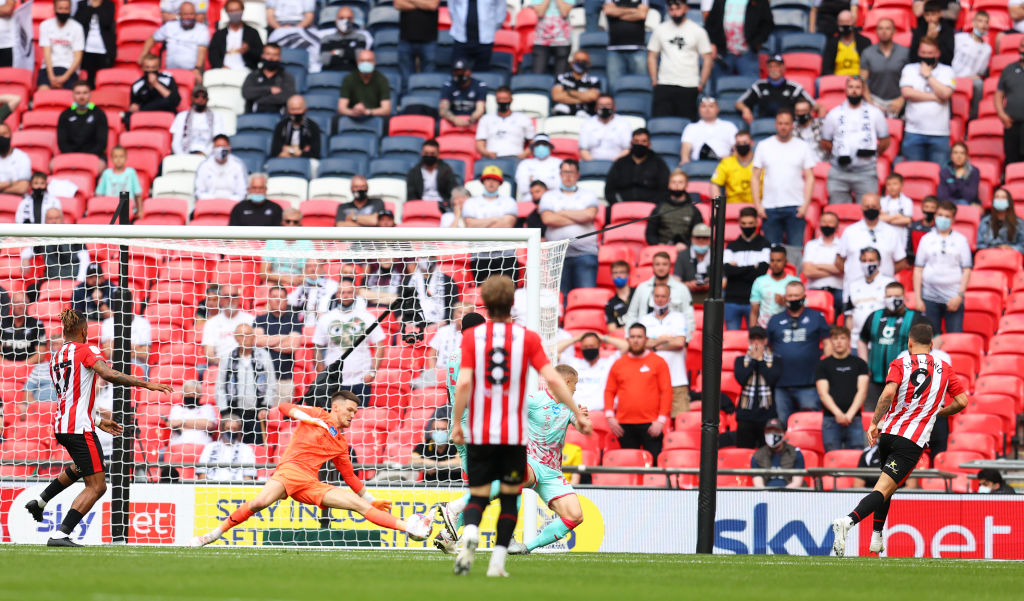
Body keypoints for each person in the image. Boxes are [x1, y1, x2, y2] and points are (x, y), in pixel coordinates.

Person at [450, 276, 590, 576]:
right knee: (511, 496)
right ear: (512, 303)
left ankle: (468, 534)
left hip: (481, 427)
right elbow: (552, 378)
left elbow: (463, 382)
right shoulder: (525, 338)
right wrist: (576, 410)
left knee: (479, 491)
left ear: (486, 303)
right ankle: (497, 562)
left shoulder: (472, 340)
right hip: (512, 432)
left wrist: (456, 422)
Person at [191, 391, 433, 547]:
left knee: (360, 505)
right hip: (289, 471)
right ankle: (213, 534)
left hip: (310, 483)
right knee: (258, 503)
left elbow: (350, 477)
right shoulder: (317, 414)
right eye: (349, 410)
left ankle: (408, 526)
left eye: (356, 412)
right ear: (335, 408)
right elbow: (284, 407)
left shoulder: (341, 443)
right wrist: (307, 418)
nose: (353, 415)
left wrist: (372, 499)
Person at [23, 309, 172, 547]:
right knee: (98, 486)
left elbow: (73, 395)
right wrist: (145, 383)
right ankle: (61, 534)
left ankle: (40, 501)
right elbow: (107, 373)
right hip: (79, 427)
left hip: (62, 424)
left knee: (82, 466)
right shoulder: (88, 349)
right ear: (84, 330)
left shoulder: (56, 356)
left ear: (64, 331)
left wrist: (100, 421)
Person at [831, 323, 968, 557]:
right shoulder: (945, 368)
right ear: (932, 345)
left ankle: (876, 537)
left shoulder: (899, 363)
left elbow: (887, 393)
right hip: (911, 441)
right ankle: (848, 521)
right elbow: (963, 401)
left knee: (886, 487)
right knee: (884, 488)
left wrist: (874, 422)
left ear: (909, 344)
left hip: (889, 434)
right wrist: (938, 411)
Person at [511, 364, 592, 554]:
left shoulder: (570, 406)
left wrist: (584, 419)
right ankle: (505, 536)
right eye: (575, 384)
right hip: (531, 461)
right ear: (566, 381)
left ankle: (525, 547)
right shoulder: (533, 400)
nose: (575, 389)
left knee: (575, 516)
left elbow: (583, 429)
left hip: (552, 472)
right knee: (515, 480)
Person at [604, 323, 672, 463]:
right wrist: (610, 416)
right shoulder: (619, 364)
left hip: (651, 425)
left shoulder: (658, 362)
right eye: (632, 337)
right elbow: (609, 391)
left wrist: (661, 420)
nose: (636, 340)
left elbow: (666, 391)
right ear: (628, 340)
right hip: (624, 425)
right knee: (628, 465)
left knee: (653, 469)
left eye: (639, 337)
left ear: (646, 339)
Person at [312, 278, 387, 405]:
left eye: (349, 292)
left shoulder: (367, 317)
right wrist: (322, 374)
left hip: (360, 381)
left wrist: (373, 372)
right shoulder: (326, 319)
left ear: (355, 293)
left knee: (359, 421)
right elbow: (317, 348)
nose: (345, 296)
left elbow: (380, 345)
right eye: (342, 292)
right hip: (335, 381)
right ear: (336, 295)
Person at [858, 280, 931, 404]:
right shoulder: (874, 316)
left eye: (897, 296)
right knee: (872, 419)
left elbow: (935, 341)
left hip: (904, 382)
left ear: (904, 297)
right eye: (889, 296)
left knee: (899, 419)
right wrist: (865, 364)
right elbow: (862, 340)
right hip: (875, 380)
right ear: (884, 297)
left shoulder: (916, 317)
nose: (893, 299)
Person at [751, 108, 816, 249]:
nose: (783, 126)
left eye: (786, 123)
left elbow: (810, 178)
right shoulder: (764, 146)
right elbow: (755, 177)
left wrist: (805, 205)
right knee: (772, 252)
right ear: (776, 124)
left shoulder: (802, 146)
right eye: (780, 123)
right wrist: (758, 205)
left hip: (795, 207)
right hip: (770, 207)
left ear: (792, 125)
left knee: (796, 251)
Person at [821, 77, 890, 205]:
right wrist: (837, 152)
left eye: (857, 87)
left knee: (868, 210)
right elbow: (825, 142)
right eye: (851, 87)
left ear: (863, 90)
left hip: (866, 172)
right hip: (839, 172)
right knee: (839, 212)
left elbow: (885, 140)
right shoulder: (834, 114)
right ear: (845, 90)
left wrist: (873, 153)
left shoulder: (875, 113)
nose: (854, 91)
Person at [540, 159, 599, 295]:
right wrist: (578, 217)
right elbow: (548, 218)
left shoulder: (588, 195)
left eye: (571, 172)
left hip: (585, 254)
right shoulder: (549, 196)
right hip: (557, 256)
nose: (568, 176)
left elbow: (589, 215)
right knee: (559, 299)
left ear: (578, 175)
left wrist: (562, 212)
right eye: (565, 172)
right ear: (560, 174)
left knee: (585, 297)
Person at [647, 0, 712, 120]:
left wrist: (701, 82)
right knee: (661, 123)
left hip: (689, 84)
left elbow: (707, 59)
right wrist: (654, 79)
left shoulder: (698, 31)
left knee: (687, 124)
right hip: (664, 83)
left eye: (678, 8)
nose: (675, 13)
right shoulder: (660, 29)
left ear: (686, 8)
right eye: (671, 9)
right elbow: (652, 55)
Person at [913, 201, 972, 334]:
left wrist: (959, 296)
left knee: (955, 339)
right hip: (929, 298)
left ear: (953, 219)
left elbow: (966, 270)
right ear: (935, 216)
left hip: (953, 297)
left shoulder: (961, 240)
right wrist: (918, 298)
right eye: (940, 215)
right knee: (930, 340)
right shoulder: (926, 239)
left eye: (947, 216)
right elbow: (918, 269)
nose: (943, 219)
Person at [835, 193, 908, 300]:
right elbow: (838, 260)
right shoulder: (850, 231)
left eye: (874, 207)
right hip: (854, 292)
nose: (870, 209)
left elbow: (901, 262)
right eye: (867, 207)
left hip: (883, 293)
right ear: (861, 208)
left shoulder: (891, 232)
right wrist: (853, 271)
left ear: (880, 208)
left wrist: (885, 272)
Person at [215, 323, 277, 444]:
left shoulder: (264, 356)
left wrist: (266, 406)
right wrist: (225, 412)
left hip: (257, 413)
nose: (245, 338)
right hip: (234, 413)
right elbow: (220, 387)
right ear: (236, 337)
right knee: (234, 447)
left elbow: (271, 383)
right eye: (241, 335)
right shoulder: (227, 359)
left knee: (256, 448)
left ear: (253, 337)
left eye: (248, 335)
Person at [900, 37, 955, 164]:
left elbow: (946, 93)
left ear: (937, 53)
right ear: (919, 53)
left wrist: (928, 75)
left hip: (939, 134)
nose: (926, 56)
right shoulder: (909, 69)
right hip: (914, 132)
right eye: (923, 53)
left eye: (930, 53)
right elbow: (907, 93)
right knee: (913, 175)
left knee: (938, 177)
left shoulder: (947, 70)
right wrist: (936, 97)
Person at [638, 284, 690, 417]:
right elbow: (641, 344)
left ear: (669, 299)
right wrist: (666, 339)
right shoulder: (644, 320)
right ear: (652, 298)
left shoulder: (678, 317)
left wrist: (654, 344)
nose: (660, 299)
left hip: (677, 381)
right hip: (652, 382)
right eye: (657, 296)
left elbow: (680, 342)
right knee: (653, 422)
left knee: (680, 420)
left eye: (663, 296)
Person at [815, 326, 869, 452]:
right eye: (835, 338)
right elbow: (823, 394)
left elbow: (862, 392)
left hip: (854, 418)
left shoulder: (860, 364)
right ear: (831, 341)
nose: (839, 342)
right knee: (832, 460)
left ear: (849, 340)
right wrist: (838, 414)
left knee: (856, 461)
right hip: (831, 419)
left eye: (842, 338)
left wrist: (849, 414)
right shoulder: (823, 365)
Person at [464, 167, 519, 283]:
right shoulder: (471, 202)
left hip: (505, 255)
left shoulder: (509, 201)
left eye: (495, 179)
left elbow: (508, 223)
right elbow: (470, 224)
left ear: (500, 183)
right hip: (480, 255)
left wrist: (481, 223)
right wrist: (494, 219)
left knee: (508, 293)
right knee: (482, 294)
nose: (491, 182)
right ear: (483, 181)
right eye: (488, 178)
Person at [732, 326, 782, 448]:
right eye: (753, 339)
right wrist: (754, 360)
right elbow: (742, 379)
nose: (756, 343)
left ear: (765, 341)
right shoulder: (740, 360)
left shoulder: (776, 360)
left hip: (767, 413)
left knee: (766, 451)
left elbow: (772, 379)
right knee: (744, 450)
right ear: (749, 341)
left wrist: (760, 361)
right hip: (745, 414)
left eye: (759, 339)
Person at [625, 251, 696, 333]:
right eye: (657, 264)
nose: (661, 268)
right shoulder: (642, 288)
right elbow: (632, 314)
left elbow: (688, 316)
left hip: (672, 338)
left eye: (664, 264)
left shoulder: (681, 289)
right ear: (652, 266)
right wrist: (629, 336)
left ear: (670, 266)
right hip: (645, 339)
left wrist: (685, 340)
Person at [253, 286, 303, 403]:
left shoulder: (293, 320)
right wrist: (284, 337)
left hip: (284, 380)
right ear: (269, 300)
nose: (277, 300)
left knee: (281, 418)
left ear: (286, 300)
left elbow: (292, 346)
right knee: (261, 417)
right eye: (274, 297)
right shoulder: (260, 319)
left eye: (281, 297)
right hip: (261, 378)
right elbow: (257, 341)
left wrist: (268, 341)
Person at [723, 207, 771, 330]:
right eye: (744, 223)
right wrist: (751, 267)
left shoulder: (765, 244)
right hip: (731, 300)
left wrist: (738, 268)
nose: (747, 226)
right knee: (732, 340)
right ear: (739, 223)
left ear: (756, 223)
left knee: (755, 340)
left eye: (750, 223)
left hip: (755, 301)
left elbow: (761, 272)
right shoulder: (731, 245)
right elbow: (728, 270)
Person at [845, 247, 897, 355]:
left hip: (881, 341)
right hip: (856, 342)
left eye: (871, 260)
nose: (867, 264)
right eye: (864, 261)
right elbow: (849, 316)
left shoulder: (889, 283)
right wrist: (848, 340)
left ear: (879, 262)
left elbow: (896, 313)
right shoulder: (853, 285)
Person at [737, 55, 817, 124]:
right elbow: (739, 103)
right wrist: (745, 110)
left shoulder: (794, 87)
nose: (773, 69)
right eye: (770, 66)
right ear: (767, 69)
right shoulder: (759, 86)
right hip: (764, 126)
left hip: (788, 127)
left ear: (783, 68)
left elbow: (816, 106)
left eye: (777, 66)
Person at [705, 0, 773, 79]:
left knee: (751, 87)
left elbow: (768, 24)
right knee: (720, 85)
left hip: (748, 52)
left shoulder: (759, 1)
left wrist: (756, 42)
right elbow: (710, 23)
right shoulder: (720, 1)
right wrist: (712, 43)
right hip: (723, 52)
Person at [563, 332, 628, 412]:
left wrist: (602, 337)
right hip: (577, 414)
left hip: (602, 413)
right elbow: (553, 351)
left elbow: (626, 346)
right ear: (581, 348)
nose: (589, 348)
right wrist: (577, 339)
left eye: (592, 346)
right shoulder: (573, 363)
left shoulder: (608, 362)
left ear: (599, 346)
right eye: (585, 346)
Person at [605, 128, 670, 207]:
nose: (639, 144)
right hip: (622, 206)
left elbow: (664, 190)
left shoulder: (659, 163)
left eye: (643, 141)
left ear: (649, 144)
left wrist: (652, 205)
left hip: (650, 207)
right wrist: (619, 204)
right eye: (636, 141)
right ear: (631, 143)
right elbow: (609, 190)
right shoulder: (620, 163)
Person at [142, 2, 208, 79]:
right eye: (185, 14)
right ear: (180, 15)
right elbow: (152, 39)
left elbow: (202, 51)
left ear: (195, 15)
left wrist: (197, 69)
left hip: (191, 71)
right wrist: (143, 56)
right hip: (170, 71)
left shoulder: (201, 29)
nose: (188, 17)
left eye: (191, 14)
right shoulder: (170, 26)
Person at [860, 18, 910, 118]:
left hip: (899, 100)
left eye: (888, 28)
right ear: (876, 32)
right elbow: (862, 81)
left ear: (894, 31)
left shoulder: (905, 52)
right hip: (875, 100)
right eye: (880, 28)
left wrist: (902, 99)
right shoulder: (867, 53)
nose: (884, 31)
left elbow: (912, 80)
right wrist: (871, 104)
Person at [55, 80, 108, 170]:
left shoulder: (99, 114)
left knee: (100, 167)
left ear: (90, 94)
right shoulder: (65, 115)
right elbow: (62, 143)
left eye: (85, 93)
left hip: (94, 156)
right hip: (69, 155)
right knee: (53, 165)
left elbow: (102, 143)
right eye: (78, 93)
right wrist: (73, 156)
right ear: (73, 95)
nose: (81, 96)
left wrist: (86, 157)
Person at [803, 212, 844, 323]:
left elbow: (843, 269)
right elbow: (807, 271)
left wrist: (817, 266)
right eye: (824, 222)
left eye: (830, 222)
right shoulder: (811, 245)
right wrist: (833, 270)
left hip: (838, 290)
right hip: (814, 289)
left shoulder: (843, 245)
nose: (827, 225)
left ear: (837, 226)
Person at [645, 170, 703, 249]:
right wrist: (658, 245)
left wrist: (686, 246)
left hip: (685, 251)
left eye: (680, 182)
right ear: (669, 184)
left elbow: (699, 234)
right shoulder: (659, 208)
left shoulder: (694, 210)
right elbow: (650, 234)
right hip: (661, 250)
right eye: (673, 182)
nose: (676, 185)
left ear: (686, 184)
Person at [201, 285, 255, 366]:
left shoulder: (251, 320)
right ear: (221, 300)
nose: (230, 299)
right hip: (220, 366)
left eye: (234, 296)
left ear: (239, 298)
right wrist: (226, 365)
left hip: (247, 365)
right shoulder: (211, 323)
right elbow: (209, 353)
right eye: (226, 296)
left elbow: (256, 348)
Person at [38, 0, 85, 92]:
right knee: (42, 93)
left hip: (68, 69)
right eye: (60, 8)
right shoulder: (45, 25)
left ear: (70, 10)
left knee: (68, 96)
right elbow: (47, 53)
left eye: (66, 8)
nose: (63, 11)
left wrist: (65, 77)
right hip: (48, 69)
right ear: (55, 9)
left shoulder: (77, 28)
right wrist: (51, 76)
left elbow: (78, 57)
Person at [475, 86, 534, 159]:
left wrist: (524, 155)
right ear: (496, 100)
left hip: (515, 157)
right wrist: (487, 153)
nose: (502, 102)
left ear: (511, 99)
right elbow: (480, 143)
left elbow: (533, 142)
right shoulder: (486, 119)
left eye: (505, 99)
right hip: (492, 158)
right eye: (500, 99)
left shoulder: (523, 118)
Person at [448, 0, 507, 72]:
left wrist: (491, 29)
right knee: (458, 73)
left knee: (482, 74)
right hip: (460, 38)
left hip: (485, 40)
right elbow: (452, 9)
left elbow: (500, 11)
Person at [194, 415, 257, 482]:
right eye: (228, 428)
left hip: (237, 488)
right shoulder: (209, 447)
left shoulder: (246, 449)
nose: (231, 432)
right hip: (211, 488)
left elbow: (249, 477)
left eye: (234, 429)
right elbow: (202, 475)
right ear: (221, 429)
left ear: (239, 431)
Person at [749, 246, 801, 328]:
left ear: (785, 262)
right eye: (772, 260)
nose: (775, 264)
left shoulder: (795, 282)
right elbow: (754, 312)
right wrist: (752, 333)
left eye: (779, 260)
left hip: (788, 329)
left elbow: (802, 309)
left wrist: (785, 303)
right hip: (765, 330)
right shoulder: (759, 281)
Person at [680, 97, 738, 164]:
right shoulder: (691, 127)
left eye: (711, 106)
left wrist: (731, 159)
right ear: (699, 109)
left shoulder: (729, 126)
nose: (707, 109)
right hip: (698, 166)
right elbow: (685, 148)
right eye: (703, 106)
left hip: (724, 164)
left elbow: (737, 148)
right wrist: (685, 160)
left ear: (717, 109)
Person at [209, 0, 262, 71]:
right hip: (223, 71)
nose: (234, 13)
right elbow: (213, 56)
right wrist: (221, 66)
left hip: (246, 71)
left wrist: (248, 51)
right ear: (226, 12)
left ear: (242, 10)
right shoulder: (219, 35)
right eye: (231, 11)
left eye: (237, 10)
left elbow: (260, 55)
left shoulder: (252, 33)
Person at [242, 43, 296, 113]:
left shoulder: (287, 77)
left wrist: (258, 99)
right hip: (254, 117)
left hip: (278, 117)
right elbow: (246, 93)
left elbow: (287, 97)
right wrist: (269, 90)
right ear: (262, 56)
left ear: (280, 57)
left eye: (275, 55)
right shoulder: (253, 75)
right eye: (268, 54)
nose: (271, 58)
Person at [337, 50, 391, 119]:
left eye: (369, 61)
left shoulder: (382, 79)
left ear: (374, 62)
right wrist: (353, 112)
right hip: (353, 114)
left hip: (374, 115)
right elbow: (341, 108)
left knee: (387, 120)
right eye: (362, 61)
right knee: (336, 119)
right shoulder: (349, 78)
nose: (365, 63)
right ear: (357, 63)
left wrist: (367, 111)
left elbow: (386, 109)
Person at [170, 86, 224, 156]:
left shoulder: (216, 117)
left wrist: (204, 154)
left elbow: (218, 140)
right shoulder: (181, 117)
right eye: (197, 96)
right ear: (192, 98)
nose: (200, 99)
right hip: (185, 154)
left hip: (208, 156)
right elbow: (176, 143)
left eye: (203, 96)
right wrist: (183, 157)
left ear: (207, 99)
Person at [751, 419, 805, 488]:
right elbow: (758, 484)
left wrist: (782, 495)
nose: (772, 434)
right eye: (769, 431)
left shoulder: (795, 453)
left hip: (791, 494)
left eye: (776, 431)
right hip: (765, 495)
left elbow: (797, 482)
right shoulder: (757, 455)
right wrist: (767, 495)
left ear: (783, 433)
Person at [604, 0, 649, 81]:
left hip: (638, 50)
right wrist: (633, 10)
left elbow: (642, 15)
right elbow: (608, 11)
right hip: (614, 50)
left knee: (640, 86)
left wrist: (618, 13)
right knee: (615, 87)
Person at [406, 139, 460, 207]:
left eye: (432, 154)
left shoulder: (446, 171)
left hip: (441, 206)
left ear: (438, 155)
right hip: (420, 205)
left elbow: (453, 191)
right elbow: (411, 196)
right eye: (426, 153)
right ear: (422, 153)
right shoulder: (414, 172)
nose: (429, 156)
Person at [194, 135, 248, 201]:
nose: (220, 149)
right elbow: (199, 192)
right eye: (218, 146)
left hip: (232, 205)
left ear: (229, 149)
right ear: (213, 148)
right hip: (209, 205)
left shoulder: (238, 165)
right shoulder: (204, 166)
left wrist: (227, 202)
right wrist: (215, 201)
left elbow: (242, 193)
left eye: (223, 146)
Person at [319, 7, 373, 73]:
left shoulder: (360, 37)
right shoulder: (327, 38)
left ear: (353, 20)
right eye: (341, 18)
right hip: (331, 76)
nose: (345, 21)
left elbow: (359, 58)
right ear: (336, 20)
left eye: (349, 18)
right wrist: (350, 53)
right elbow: (325, 60)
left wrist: (336, 52)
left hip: (353, 76)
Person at [996, 37, 1024, 165]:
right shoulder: (1009, 69)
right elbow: (998, 95)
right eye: (1022, 46)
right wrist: (1002, 114)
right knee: (1011, 161)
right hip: (1012, 125)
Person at [166, 380, 218, 447]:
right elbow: (171, 424)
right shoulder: (177, 408)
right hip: (178, 446)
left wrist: (182, 422)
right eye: (188, 394)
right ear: (182, 395)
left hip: (203, 446)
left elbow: (209, 425)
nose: (191, 396)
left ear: (200, 395)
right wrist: (199, 424)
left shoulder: (207, 408)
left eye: (193, 394)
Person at [579, 95, 632, 161]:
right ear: (595, 108)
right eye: (601, 105)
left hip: (617, 165)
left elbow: (627, 149)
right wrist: (594, 165)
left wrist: (614, 164)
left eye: (608, 105)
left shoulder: (624, 123)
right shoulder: (587, 124)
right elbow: (583, 150)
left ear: (614, 107)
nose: (604, 107)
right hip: (592, 164)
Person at [526, 0, 572, 74]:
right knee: (538, 75)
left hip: (562, 41)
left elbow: (564, 13)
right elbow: (540, 13)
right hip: (541, 41)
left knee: (560, 78)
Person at [396, 0, 439, 80]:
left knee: (428, 81)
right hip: (406, 39)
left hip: (428, 39)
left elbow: (432, 5)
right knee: (406, 80)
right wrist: (423, 4)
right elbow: (398, 4)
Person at [410, 417, 462, 482]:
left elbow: (460, 461)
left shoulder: (457, 445)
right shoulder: (423, 446)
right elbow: (412, 461)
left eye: (443, 429)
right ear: (431, 432)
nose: (440, 432)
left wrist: (435, 466)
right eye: (436, 429)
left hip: (455, 487)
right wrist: (442, 465)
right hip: (428, 487)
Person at [550, 50, 601, 116]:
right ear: (571, 63)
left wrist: (570, 92)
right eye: (577, 60)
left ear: (589, 64)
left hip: (584, 115)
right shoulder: (561, 77)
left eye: (584, 61)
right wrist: (583, 97)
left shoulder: (594, 80)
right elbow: (557, 96)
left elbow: (592, 97)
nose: (580, 63)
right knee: (561, 108)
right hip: (562, 114)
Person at [711, 130, 756, 205]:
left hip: (755, 205)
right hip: (732, 205)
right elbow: (714, 184)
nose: (741, 145)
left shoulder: (760, 162)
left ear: (751, 143)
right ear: (735, 146)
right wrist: (718, 207)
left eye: (745, 142)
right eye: (738, 143)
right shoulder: (727, 163)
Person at [821, 10, 871, 76]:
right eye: (842, 22)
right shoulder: (832, 43)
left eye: (847, 22)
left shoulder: (864, 42)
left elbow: (870, 66)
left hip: (858, 80)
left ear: (853, 23)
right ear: (838, 24)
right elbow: (826, 69)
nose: (845, 25)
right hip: (837, 80)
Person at [440, 60, 487, 129]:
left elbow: (480, 109)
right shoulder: (448, 85)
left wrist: (471, 120)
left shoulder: (479, 85)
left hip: (473, 120)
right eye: (457, 71)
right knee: (439, 125)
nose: (459, 74)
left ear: (469, 72)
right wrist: (455, 119)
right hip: (453, 119)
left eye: (462, 71)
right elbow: (443, 110)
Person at [0, 291, 46, 362]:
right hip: (5, 367)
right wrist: (6, 365)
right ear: (10, 305)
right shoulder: (2, 323)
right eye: (17, 302)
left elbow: (41, 354)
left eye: (23, 302)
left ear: (28, 304)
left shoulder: (37, 324)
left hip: (29, 367)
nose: (21, 306)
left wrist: (22, 366)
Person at [514, 134, 562, 201]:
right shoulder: (525, 164)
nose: (541, 147)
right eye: (538, 145)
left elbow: (559, 186)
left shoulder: (558, 163)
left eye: (544, 144)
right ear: (533, 148)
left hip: (554, 199)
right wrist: (549, 182)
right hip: (530, 200)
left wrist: (534, 180)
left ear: (549, 147)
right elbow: (523, 188)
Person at [95, 146, 142, 211]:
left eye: (121, 156)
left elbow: (138, 194)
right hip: (110, 210)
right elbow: (99, 195)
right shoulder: (106, 173)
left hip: (128, 210)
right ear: (111, 159)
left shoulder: (131, 172)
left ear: (126, 158)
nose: (118, 159)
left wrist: (140, 211)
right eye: (115, 157)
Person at [978, 188, 1024, 253]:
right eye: (997, 197)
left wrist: (1010, 248)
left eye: (1003, 197)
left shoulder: (1019, 223)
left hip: (1011, 258)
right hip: (990, 258)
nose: (1000, 200)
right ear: (993, 201)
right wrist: (996, 248)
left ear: (1009, 201)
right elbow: (980, 245)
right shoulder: (985, 222)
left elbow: (1022, 246)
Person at [676, 223, 713, 305]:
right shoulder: (683, 255)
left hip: (711, 298)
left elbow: (724, 281)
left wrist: (711, 284)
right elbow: (676, 280)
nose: (701, 240)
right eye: (698, 237)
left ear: (710, 239)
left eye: (705, 237)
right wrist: (688, 284)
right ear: (692, 238)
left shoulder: (716, 255)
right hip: (687, 297)